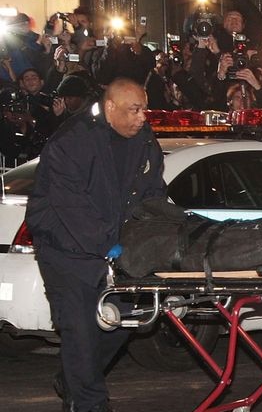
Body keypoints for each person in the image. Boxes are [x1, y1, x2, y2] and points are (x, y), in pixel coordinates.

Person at [25, 78, 166, 412]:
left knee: (128, 319)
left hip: (112, 248)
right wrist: (107, 244)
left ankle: (74, 378)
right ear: (111, 107)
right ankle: (89, 404)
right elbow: (70, 204)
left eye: (144, 108)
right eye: (135, 110)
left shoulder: (145, 142)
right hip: (65, 249)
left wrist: (155, 233)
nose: (142, 117)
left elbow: (151, 193)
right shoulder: (74, 140)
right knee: (81, 332)